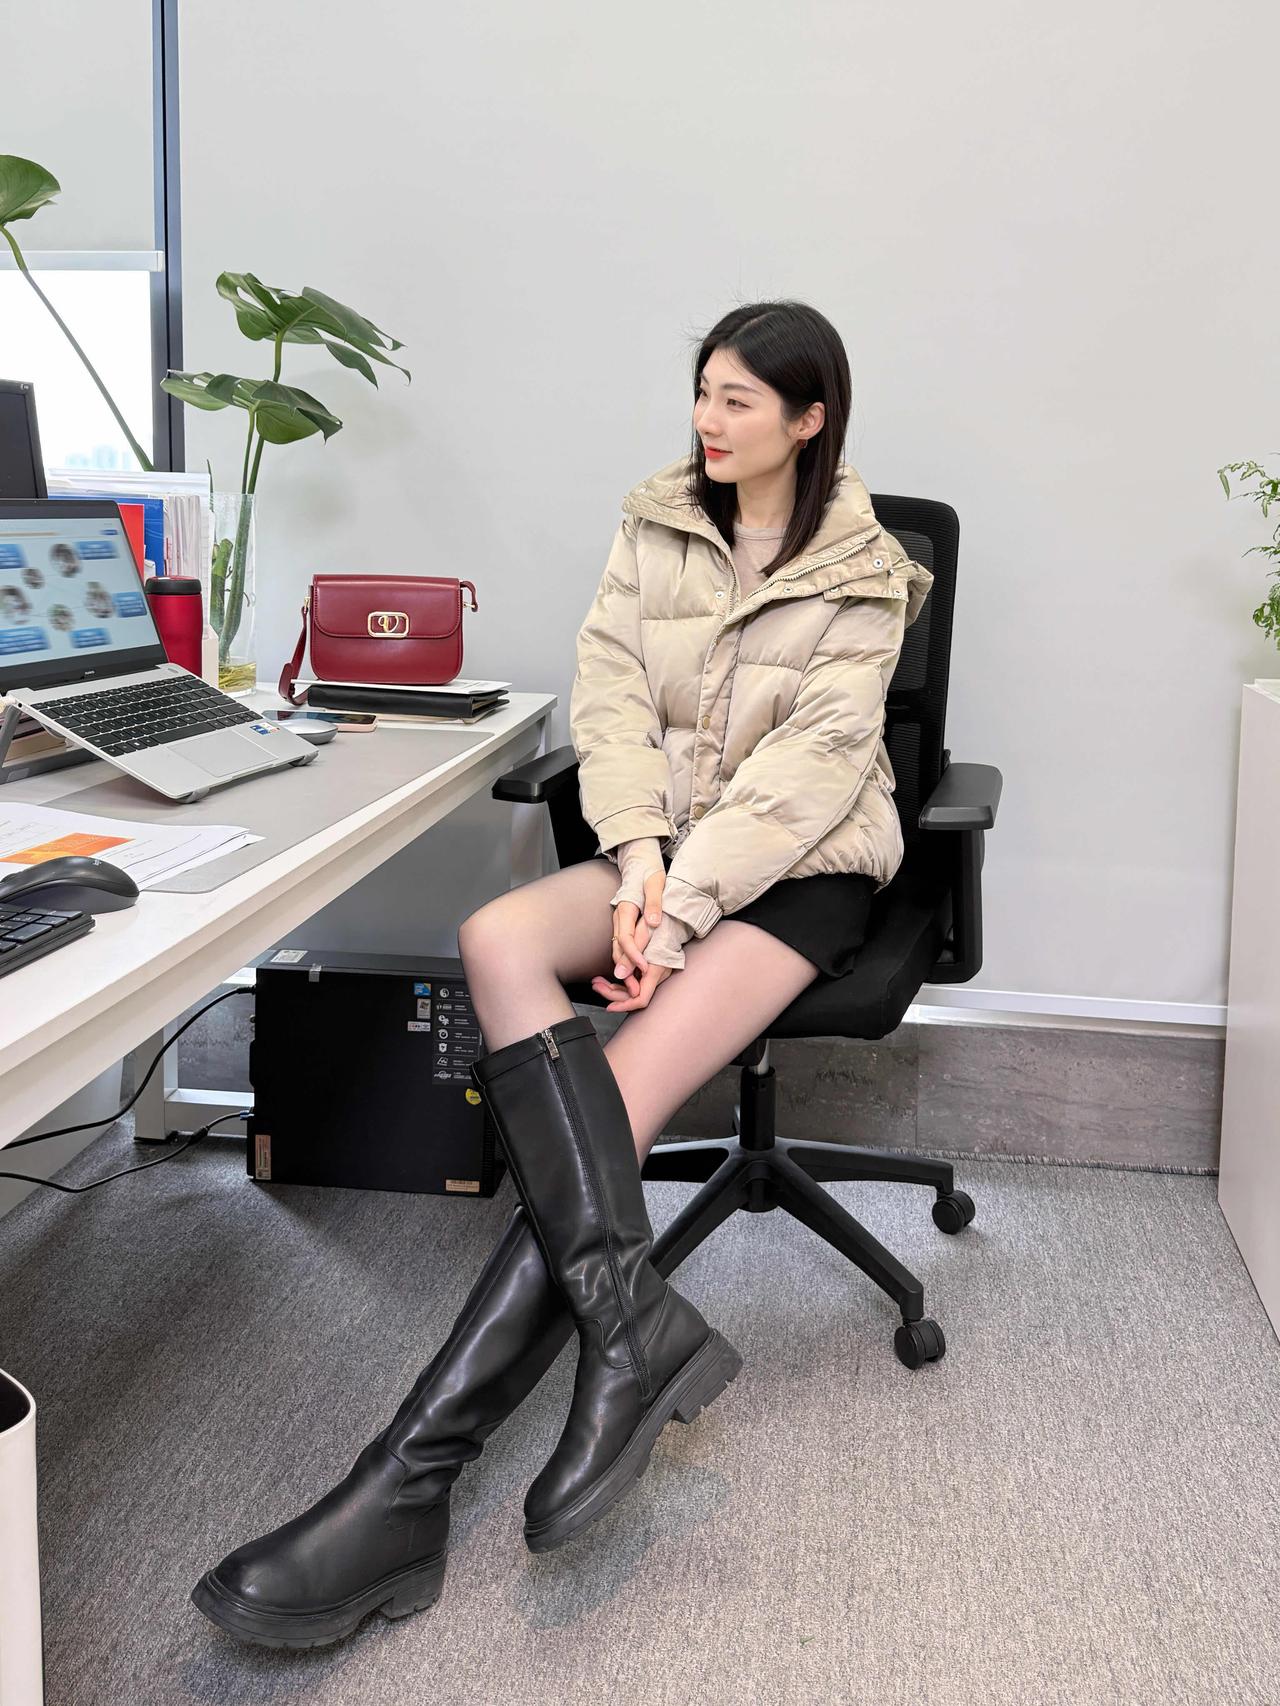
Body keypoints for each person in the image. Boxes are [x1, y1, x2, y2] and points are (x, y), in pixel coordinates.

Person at [190, 299, 935, 1650]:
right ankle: (630, 1323)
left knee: (621, 1096)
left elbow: (812, 773)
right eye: (702, 393)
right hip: (667, 851)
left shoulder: (869, 569)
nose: (708, 422)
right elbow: (612, 703)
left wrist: (681, 907)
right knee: (498, 936)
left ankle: (404, 1484)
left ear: (810, 418)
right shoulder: (656, 522)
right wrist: (639, 863)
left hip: (798, 868)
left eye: (739, 401)